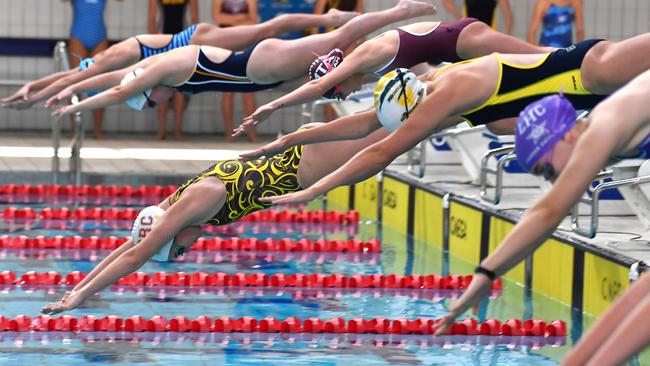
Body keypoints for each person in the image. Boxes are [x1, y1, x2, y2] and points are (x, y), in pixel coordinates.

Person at [244, 32, 650, 206]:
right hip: (587, 95)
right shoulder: (424, 88)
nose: (410, 129)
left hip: (591, 70)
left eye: (408, 124)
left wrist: (314, 191)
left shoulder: (444, 96)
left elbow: (380, 152)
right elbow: (368, 123)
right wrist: (289, 141)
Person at [39, 124, 391, 315]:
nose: (186, 252)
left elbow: (136, 256)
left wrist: (80, 298)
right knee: (402, 120)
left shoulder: (196, 201)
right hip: (308, 157)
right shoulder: (174, 204)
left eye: (178, 251)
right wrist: (78, 288)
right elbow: (131, 247)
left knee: (402, 123)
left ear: (173, 234)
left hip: (310, 162)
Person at [428, 68, 650, 364]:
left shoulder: (602, 127)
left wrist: (485, 273)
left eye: (546, 170)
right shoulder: (603, 127)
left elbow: (549, 211)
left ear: (565, 133)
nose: (554, 180)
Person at [45, 1, 436, 118]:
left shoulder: (161, 69)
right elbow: (116, 84)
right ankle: (412, 66)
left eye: (148, 102)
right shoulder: (173, 82)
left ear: (151, 92)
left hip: (260, 66)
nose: (155, 104)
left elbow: (115, 88)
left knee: (340, 37)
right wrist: (72, 91)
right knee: (342, 82)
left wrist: (72, 102)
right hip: (261, 79)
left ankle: (400, 13)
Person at [237, 18, 552, 133]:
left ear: (337, 76)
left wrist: (273, 106)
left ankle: (590, 59)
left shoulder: (364, 56)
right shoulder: (371, 71)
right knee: (497, 121)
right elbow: (422, 75)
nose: (340, 97)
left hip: (463, 39)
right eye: (335, 98)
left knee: (542, 58)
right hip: (455, 58)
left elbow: (317, 84)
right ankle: (566, 112)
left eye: (335, 92)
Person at [0, 8, 359, 109]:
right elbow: (75, 77)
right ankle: (337, 58)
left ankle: (328, 20)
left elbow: (81, 79)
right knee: (263, 50)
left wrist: (42, 93)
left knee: (263, 30)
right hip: (183, 57)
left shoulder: (117, 55)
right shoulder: (113, 64)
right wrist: (35, 89)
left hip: (191, 40)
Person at [64, 0, 123, 139]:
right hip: (78, 36)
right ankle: (75, 131)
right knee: (75, 83)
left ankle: (98, 130)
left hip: (99, 38)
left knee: (99, 84)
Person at [148, 0, 199, 140]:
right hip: (164, 40)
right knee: (161, 85)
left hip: (182, 41)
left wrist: (191, 42)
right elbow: (152, 19)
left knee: (180, 87)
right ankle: (162, 130)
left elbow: (195, 19)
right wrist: (155, 43)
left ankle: (177, 130)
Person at [212, 0, 260, 142]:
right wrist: (242, 19)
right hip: (226, 45)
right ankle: (229, 133)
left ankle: (251, 133)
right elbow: (217, 18)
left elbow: (253, 21)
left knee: (249, 92)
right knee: (228, 92)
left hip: (245, 44)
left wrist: (230, 21)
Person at [311, 0, 365, 122]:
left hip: (349, 40)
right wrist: (316, 44)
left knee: (349, 81)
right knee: (330, 84)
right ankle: (330, 123)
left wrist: (362, 44)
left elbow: (361, 18)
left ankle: (346, 121)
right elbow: (316, 20)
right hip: (332, 41)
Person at [442, 0, 513, 34]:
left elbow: (508, 14)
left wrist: (507, 34)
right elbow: (446, 2)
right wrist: (460, 17)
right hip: (467, 32)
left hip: (488, 33)